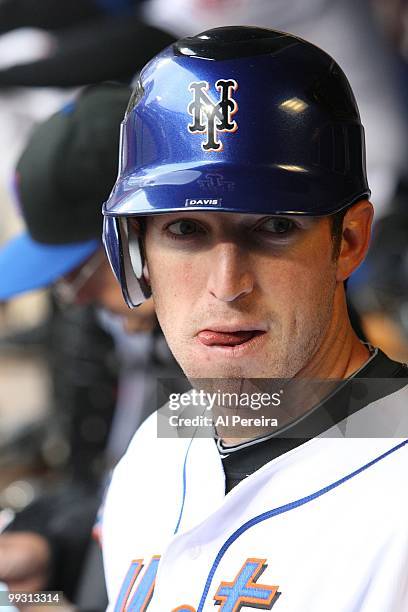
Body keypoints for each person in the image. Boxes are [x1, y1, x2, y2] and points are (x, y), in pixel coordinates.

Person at [101, 26, 408, 611]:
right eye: (186, 230)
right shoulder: (155, 452)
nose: (227, 286)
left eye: (273, 228)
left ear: (349, 239)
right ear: (138, 250)